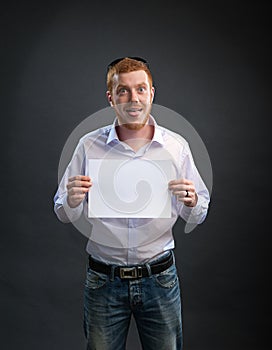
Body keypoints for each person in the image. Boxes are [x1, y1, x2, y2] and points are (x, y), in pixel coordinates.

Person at [54, 57, 210, 350]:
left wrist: (191, 202)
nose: (133, 98)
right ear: (110, 97)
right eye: (123, 90)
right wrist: (72, 200)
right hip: (103, 281)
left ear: (152, 93)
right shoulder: (88, 145)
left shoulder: (176, 147)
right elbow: (62, 210)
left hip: (160, 279)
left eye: (140, 89)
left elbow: (199, 211)